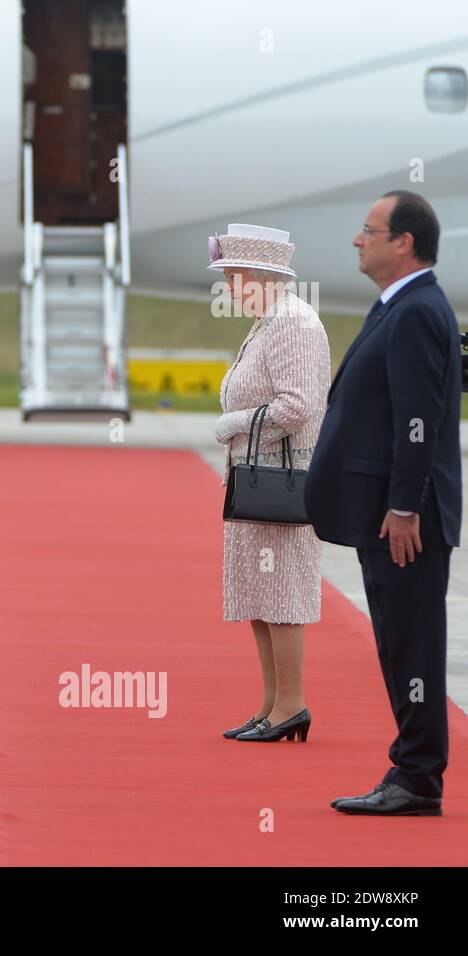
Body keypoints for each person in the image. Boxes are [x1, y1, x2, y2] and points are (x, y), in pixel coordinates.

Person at [307, 191, 461, 816]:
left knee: (411, 644)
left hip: (405, 521)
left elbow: (417, 422)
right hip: (389, 514)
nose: (356, 239)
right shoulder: (398, 306)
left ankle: (418, 777)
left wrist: (404, 507)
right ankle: (413, 771)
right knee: (400, 644)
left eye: (368, 231)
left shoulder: (417, 310)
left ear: (404, 242)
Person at [208, 224, 330, 743]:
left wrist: (235, 423)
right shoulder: (271, 320)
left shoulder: (292, 324)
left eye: (232, 276)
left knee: (281, 598)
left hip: (280, 478)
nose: (228, 287)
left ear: (261, 276)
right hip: (257, 478)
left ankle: (291, 705)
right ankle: (272, 704)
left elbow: (297, 407)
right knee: (262, 596)